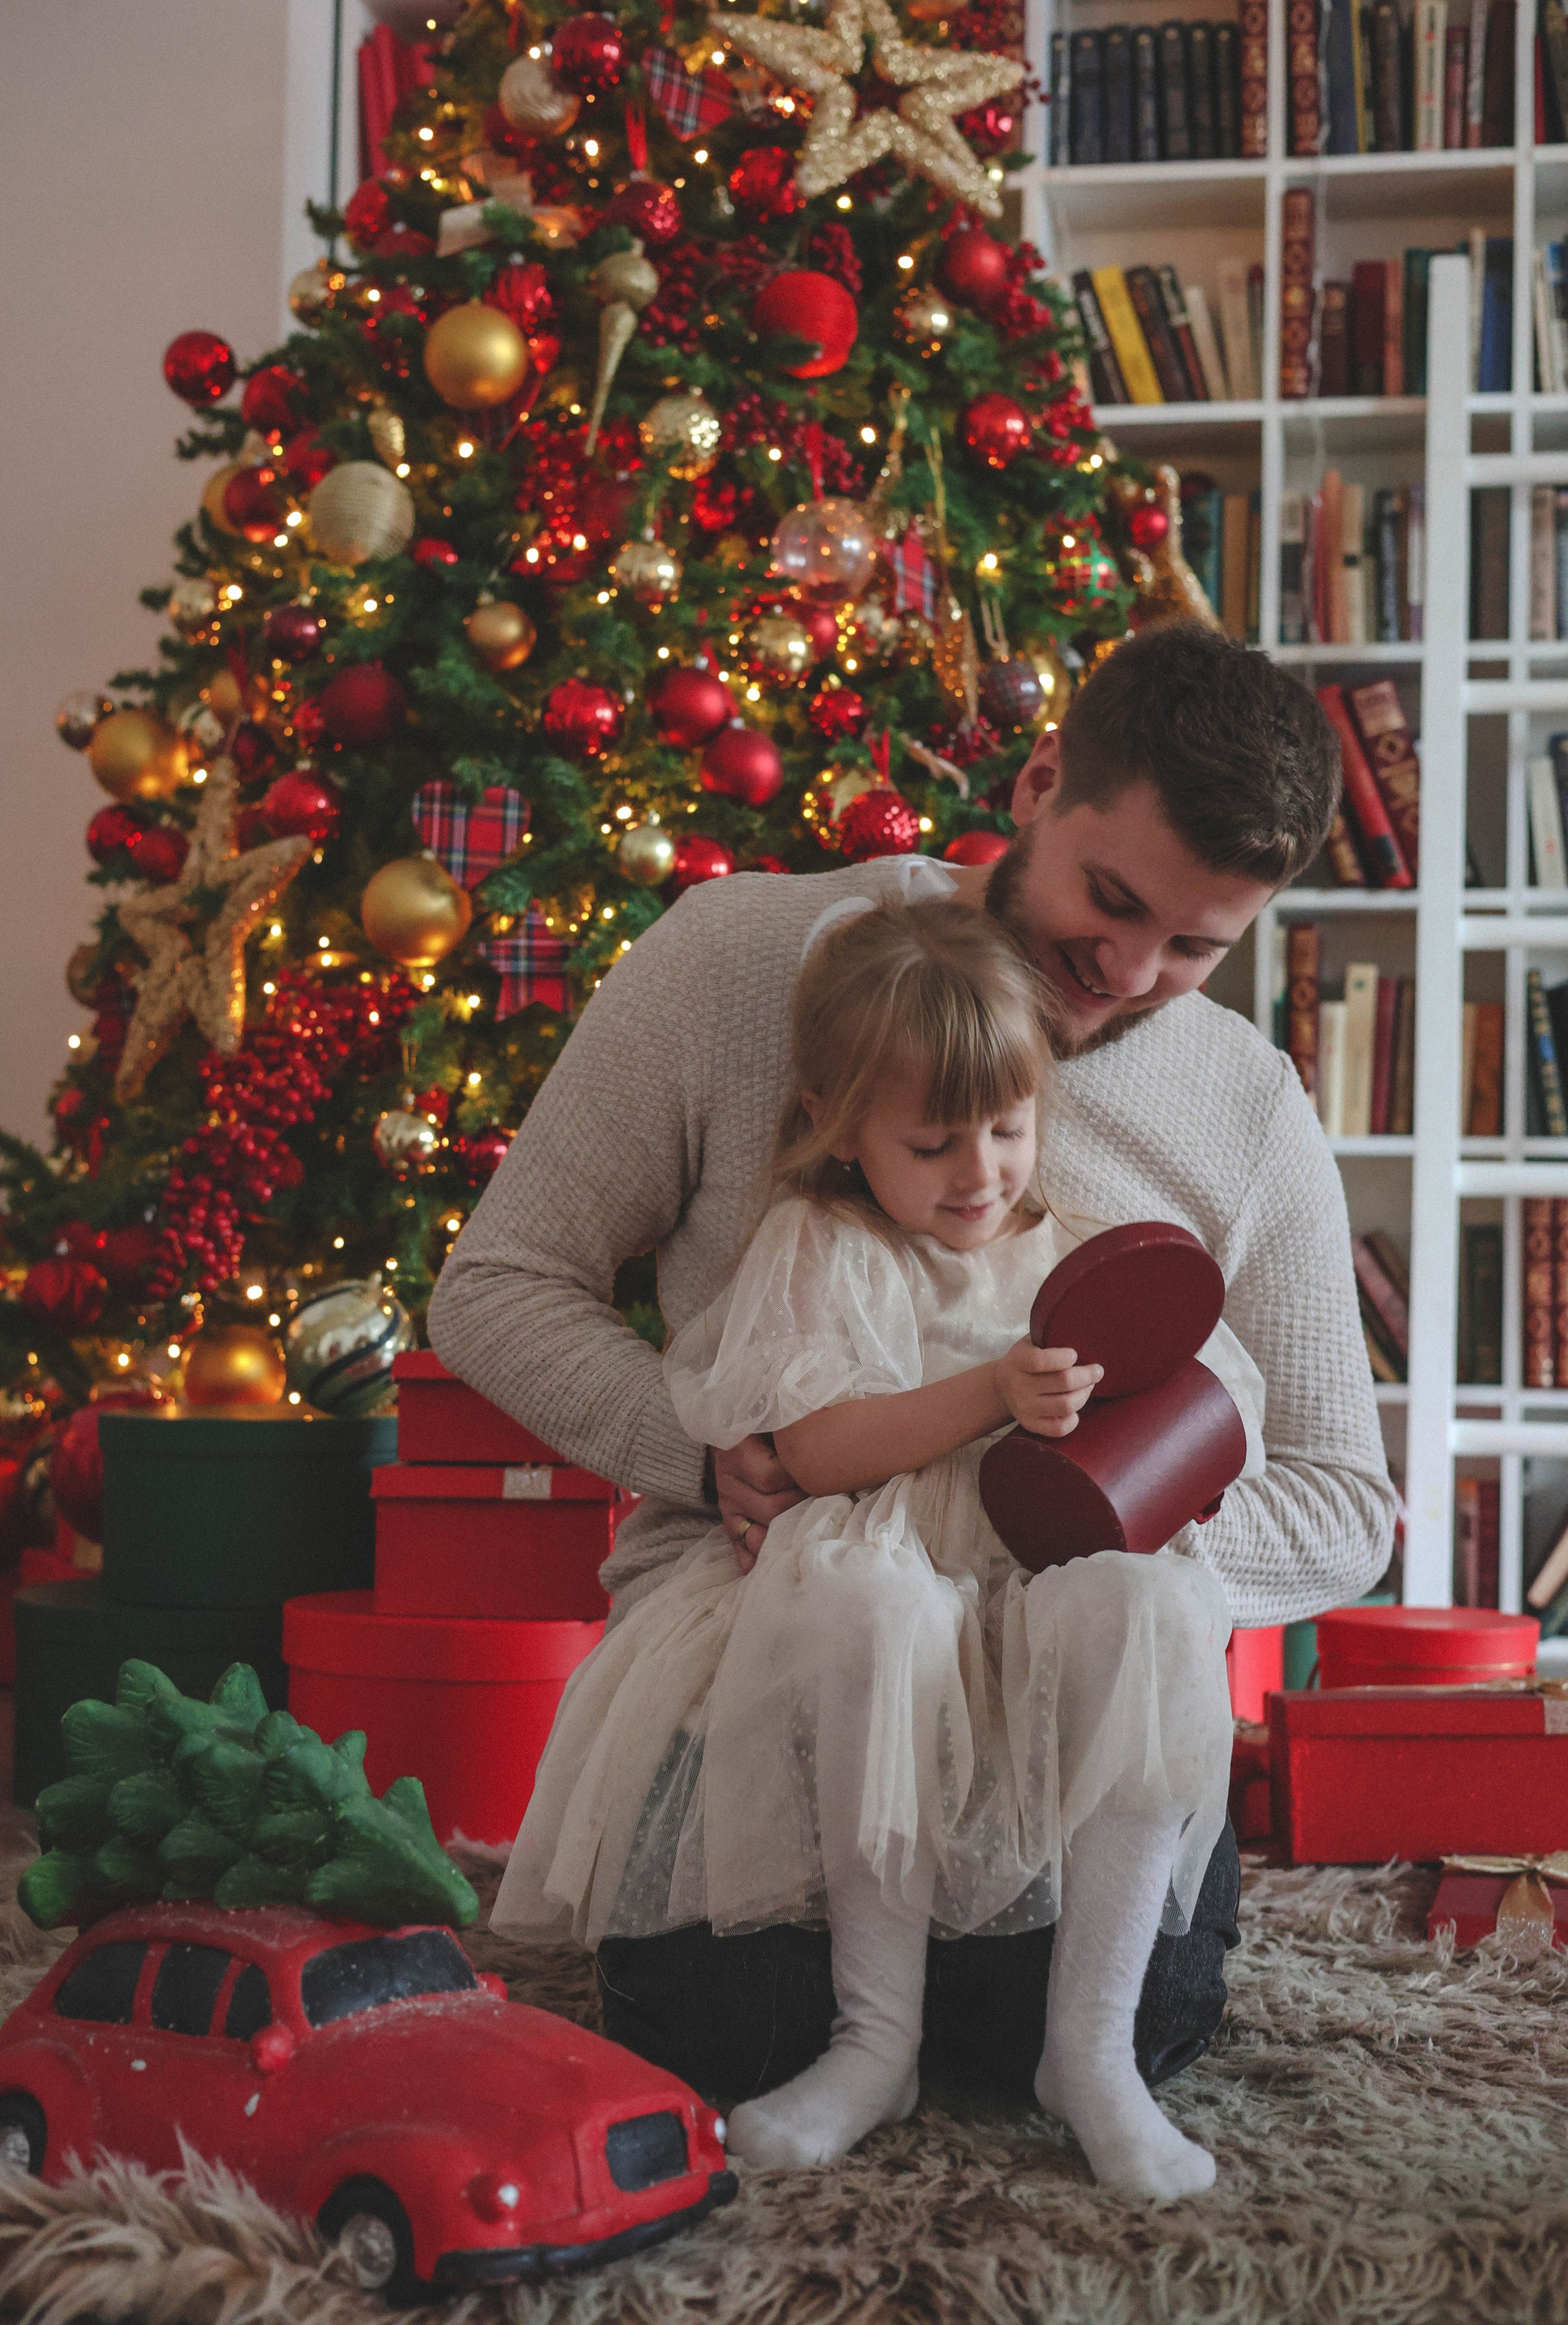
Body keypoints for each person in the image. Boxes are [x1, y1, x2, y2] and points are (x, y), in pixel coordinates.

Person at [428, 620, 1397, 2136]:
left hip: (1070, 1689)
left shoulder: (1241, 1102)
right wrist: (710, 1456)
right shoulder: (737, 961)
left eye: (1194, 948)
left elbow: (1343, 1501)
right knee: (737, 2033)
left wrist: (1112, 1548)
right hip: (784, 1660)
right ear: (1037, 783)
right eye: (1110, 901)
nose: (1127, 974)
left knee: (1098, 2033)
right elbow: (495, 1286)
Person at [489, 897, 1266, 2193]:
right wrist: (992, 1392)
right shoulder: (822, 1244)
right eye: (931, 1143)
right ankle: (874, 2038)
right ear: (838, 1126)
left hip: (1036, 1587)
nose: (979, 1173)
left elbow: (1193, 1403)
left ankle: (1091, 2052)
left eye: (1007, 1129)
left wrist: (1162, 1464)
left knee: (1156, 1612)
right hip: (880, 1578)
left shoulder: (1073, 1249)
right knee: (872, 1606)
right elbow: (811, 1450)